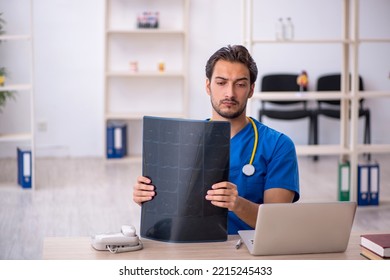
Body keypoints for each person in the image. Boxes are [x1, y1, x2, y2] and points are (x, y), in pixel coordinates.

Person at [133, 44, 300, 234]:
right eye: (221, 83)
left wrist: (237, 204)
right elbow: (170, 216)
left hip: (246, 251)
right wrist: (148, 199)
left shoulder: (278, 146)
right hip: (191, 247)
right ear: (208, 86)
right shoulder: (182, 142)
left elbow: (275, 223)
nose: (230, 93)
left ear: (251, 90)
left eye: (240, 84)